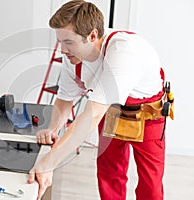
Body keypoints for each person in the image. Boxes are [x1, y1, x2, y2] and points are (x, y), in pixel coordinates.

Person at [27, 1, 170, 200]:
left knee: (150, 184)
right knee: (109, 173)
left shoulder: (124, 54)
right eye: (61, 42)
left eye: (69, 42)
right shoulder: (73, 58)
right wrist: (52, 129)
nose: (63, 50)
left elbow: (92, 115)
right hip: (110, 110)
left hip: (147, 114)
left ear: (92, 36)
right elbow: (64, 100)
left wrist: (49, 163)